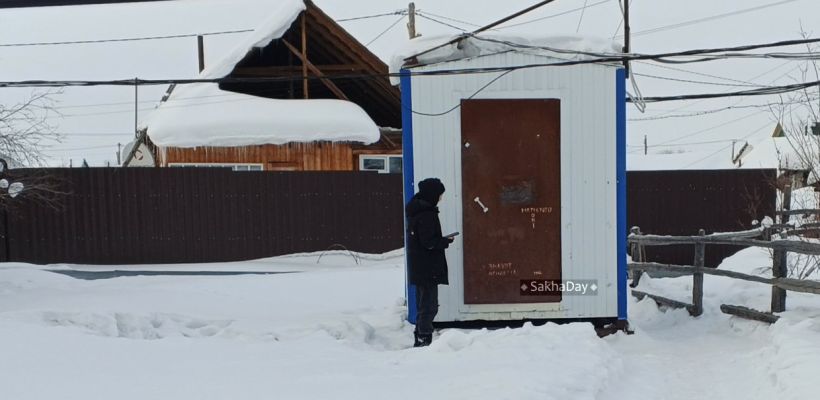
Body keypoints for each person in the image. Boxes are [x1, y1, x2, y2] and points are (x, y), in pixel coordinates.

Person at [405, 178, 454, 347]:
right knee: (429, 306)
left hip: (420, 267)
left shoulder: (417, 211)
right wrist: (444, 241)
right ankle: (424, 339)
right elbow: (428, 242)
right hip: (427, 268)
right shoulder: (426, 215)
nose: (440, 198)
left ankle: (420, 337)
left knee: (424, 305)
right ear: (432, 194)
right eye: (439, 194)